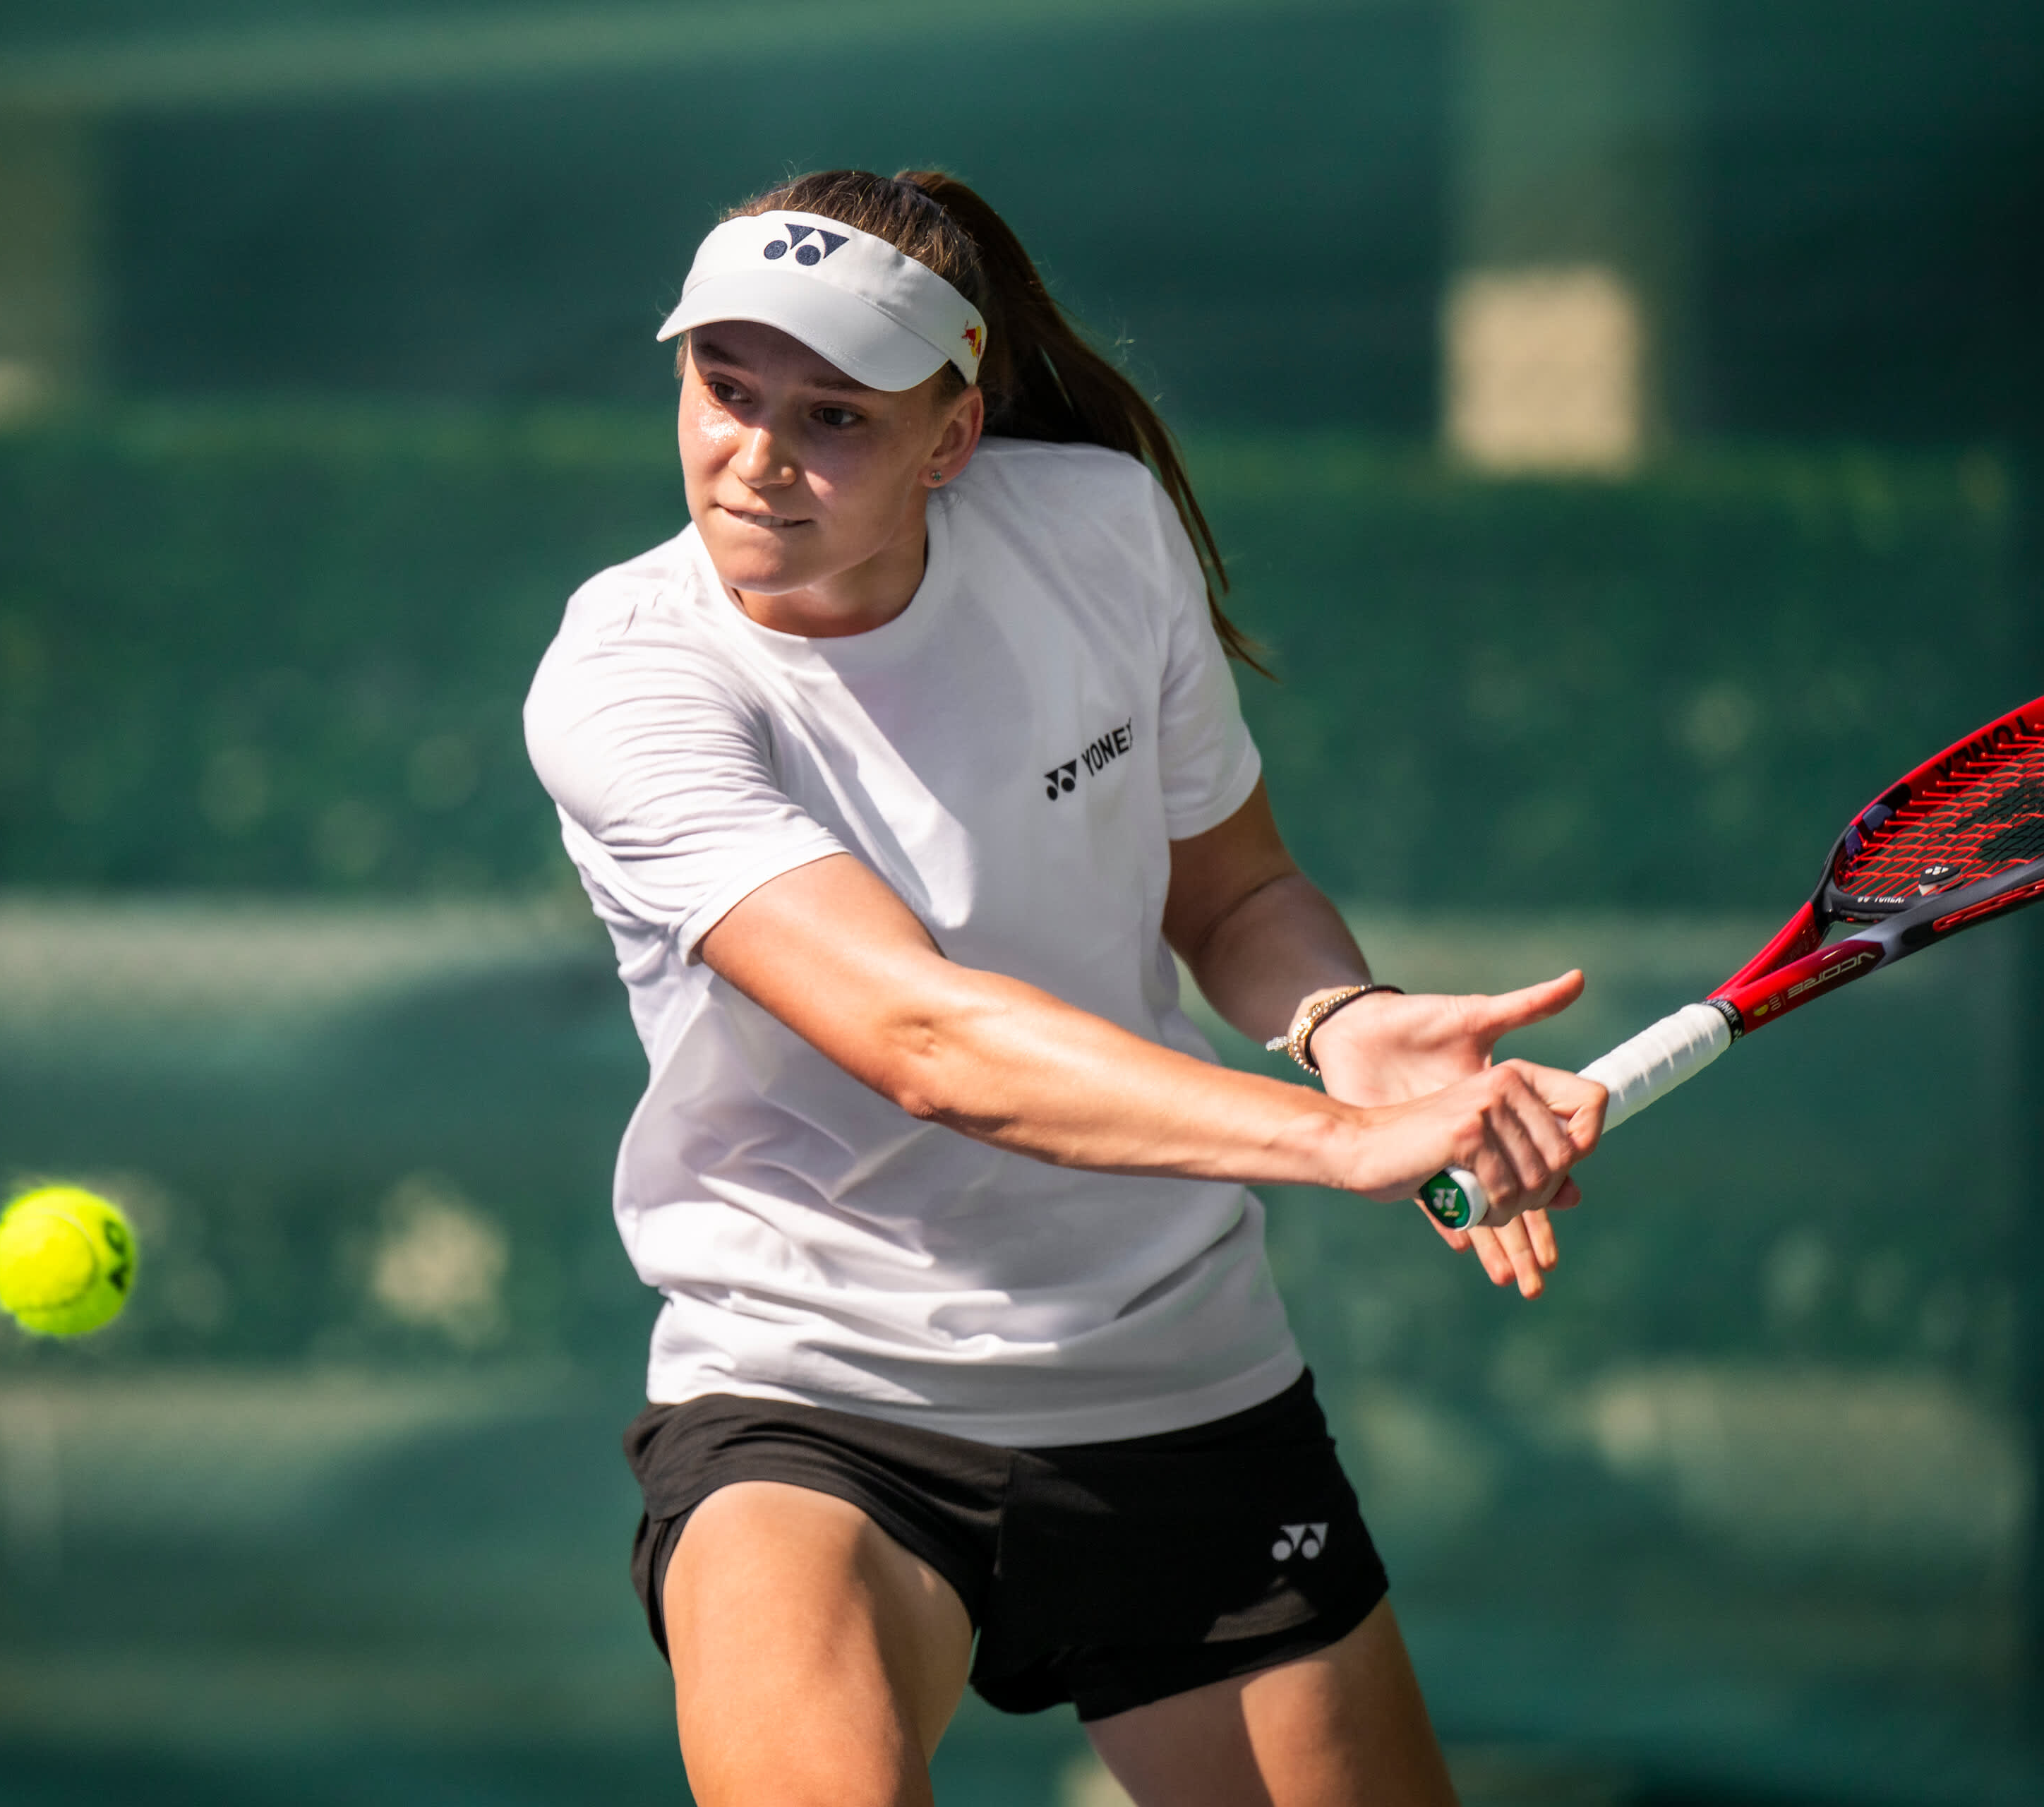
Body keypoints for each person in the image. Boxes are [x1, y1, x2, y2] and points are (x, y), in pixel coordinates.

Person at [524, 167, 1605, 1807]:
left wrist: (1343, 1019)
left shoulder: (1098, 531)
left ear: (950, 436)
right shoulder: (628, 681)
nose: (756, 453)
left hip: (1178, 1371)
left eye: (834, 415)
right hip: (812, 1391)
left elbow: (1231, 890)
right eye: (725, 389)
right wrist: (1337, 1140)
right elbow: (925, 1037)